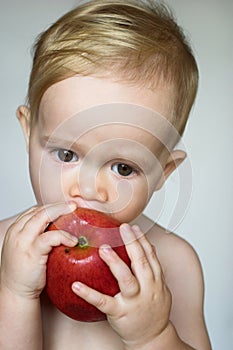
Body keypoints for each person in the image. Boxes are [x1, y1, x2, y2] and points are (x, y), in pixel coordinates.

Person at [0, 0, 212, 349]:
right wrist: (16, 294)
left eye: (123, 168)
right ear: (28, 134)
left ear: (163, 171)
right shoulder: (7, 249)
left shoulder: (175, 264)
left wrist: (154, 336)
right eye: (67, 154)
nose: (88, 189)